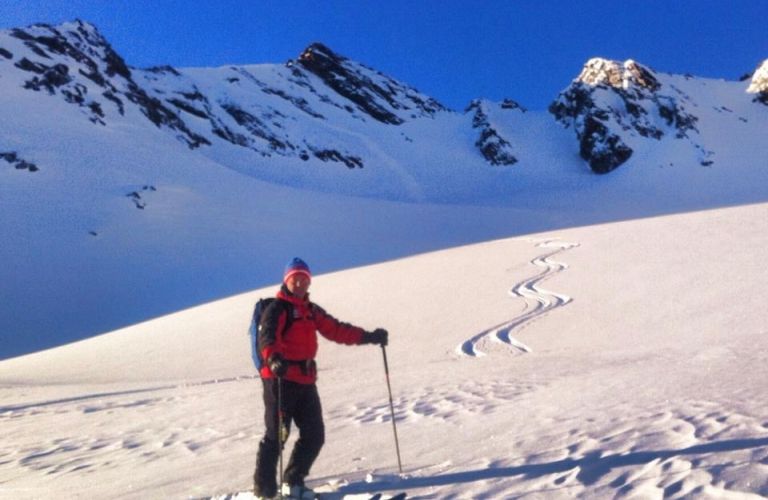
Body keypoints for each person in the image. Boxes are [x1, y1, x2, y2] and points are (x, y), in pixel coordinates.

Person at [253, 257, 388, 500]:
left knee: (315, 435)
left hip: (305, 381)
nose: (300, 283)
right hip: (280, 379)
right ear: (286, 281)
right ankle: (265, 491)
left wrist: (370, 337)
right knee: (277, 436)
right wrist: (273, 358)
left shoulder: (311, 310)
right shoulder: (277, 309)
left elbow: (337, 330)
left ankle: (293, 481)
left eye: (304, 279)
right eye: (295, 279)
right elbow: (267, 338)